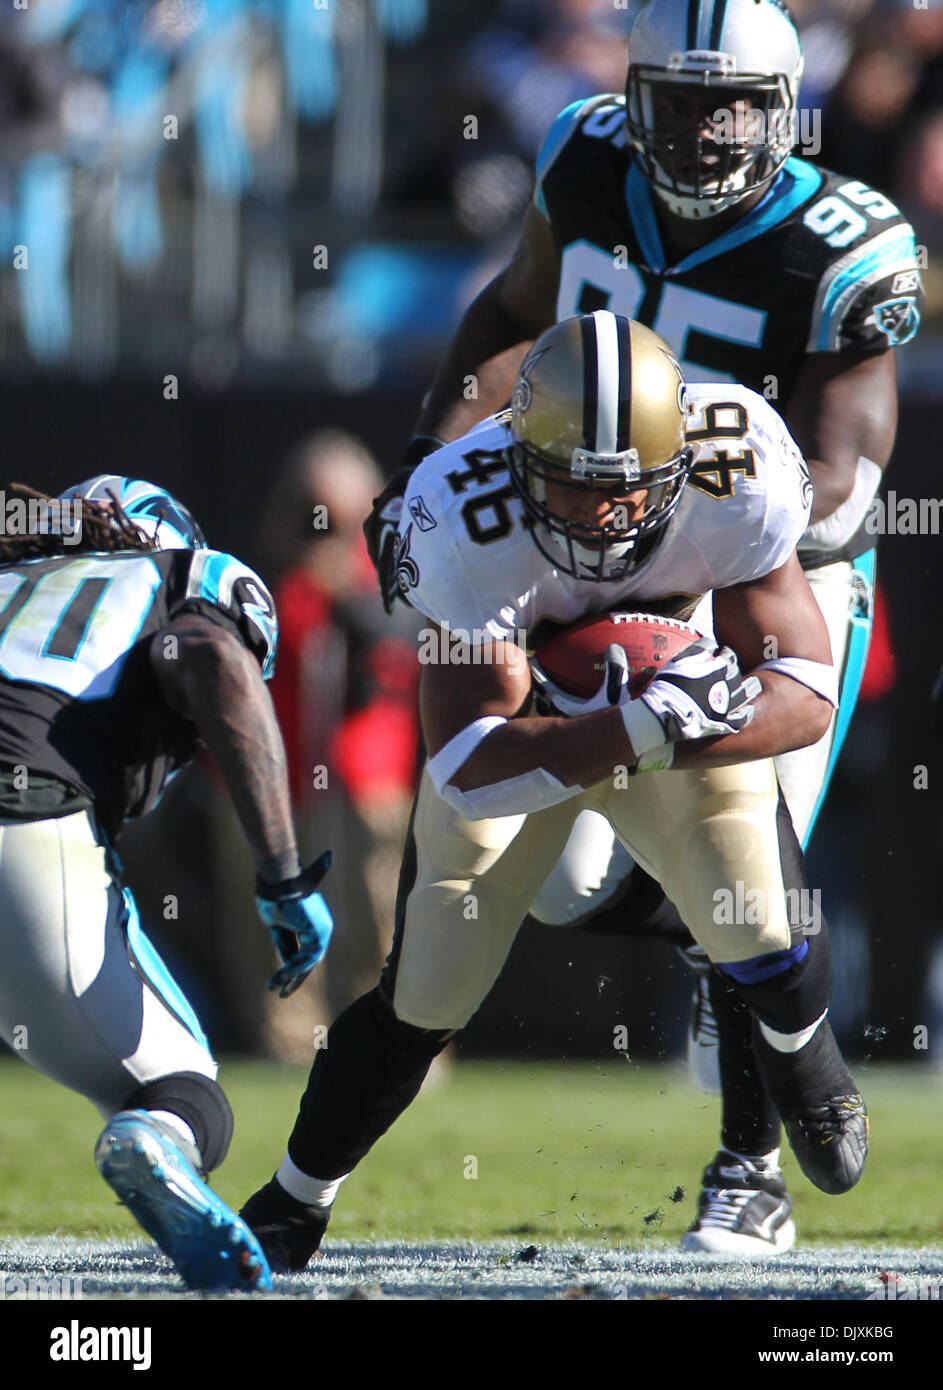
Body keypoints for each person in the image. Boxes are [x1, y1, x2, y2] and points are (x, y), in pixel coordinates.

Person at [363, 0, 922, 1255]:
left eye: (733, 102)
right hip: (581, 529)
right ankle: (737, 945)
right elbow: (508, 320)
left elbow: (844, 471)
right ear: (632, 90)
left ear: (784, 110)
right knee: (562, 883)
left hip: (762, 548)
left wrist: (686, 564)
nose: (708, 126)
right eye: (681, 96)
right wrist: (422, 463)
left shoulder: (840, 245)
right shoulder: (584, 155)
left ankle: (750, 1163)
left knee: (750, 835)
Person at [241, 313, 867, 1271]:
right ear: (516, 455)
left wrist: (696, 715)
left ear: (677, 462)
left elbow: (807, 688)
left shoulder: (735, 468)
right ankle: (294, 1198)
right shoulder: (455, 515)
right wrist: (635, 727)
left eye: (625, 491)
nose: (600, 516)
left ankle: (800, 1041)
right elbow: (466, 763)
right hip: (534, 729)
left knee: (759, 915)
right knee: (429, 984)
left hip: (676, 716)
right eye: (572, 485)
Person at [0, 476, 333, 1292]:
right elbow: (215, 659)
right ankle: (153, 1138)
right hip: (23, 813)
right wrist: (282, 873)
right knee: (179, 1090)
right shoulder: (187, 573)